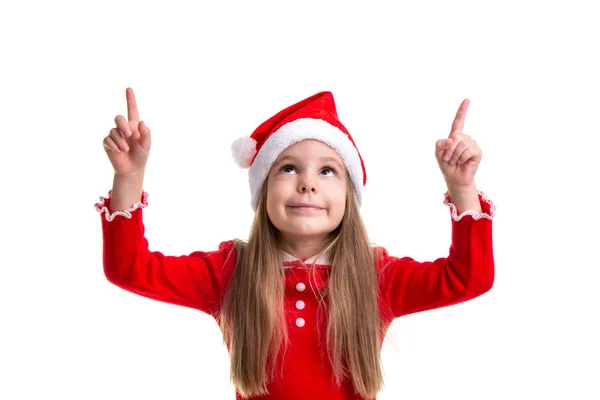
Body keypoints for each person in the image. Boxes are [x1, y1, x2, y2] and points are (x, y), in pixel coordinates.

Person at [95, 88, 496, 400]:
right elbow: (130, 269)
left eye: (327, 170)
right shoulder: (231, 272)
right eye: (288, 168)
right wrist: (129, 178)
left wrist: (462, 188)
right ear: (263, 189)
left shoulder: (377, 278)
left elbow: (469, 278)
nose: (308, 182)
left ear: (349, 197)